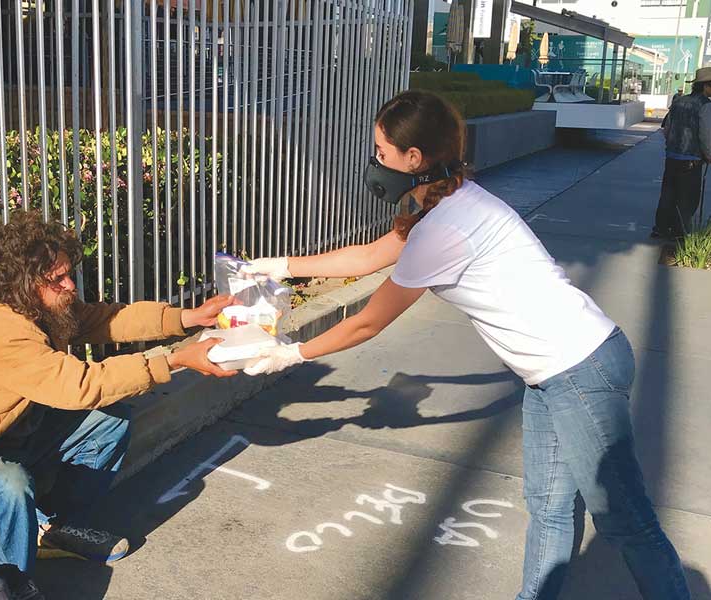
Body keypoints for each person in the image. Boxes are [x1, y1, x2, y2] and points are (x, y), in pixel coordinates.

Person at [242, 90, 691, 600]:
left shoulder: (445, 225)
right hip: (549, 375)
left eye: (381, 152)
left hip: (580, 368)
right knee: (549, 506)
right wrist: (281, 266)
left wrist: (291, 353)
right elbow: (366, 257)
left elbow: (369, 323)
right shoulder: (446, 202)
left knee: (623, 520)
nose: (375, 163)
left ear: (414, 159)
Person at [0, 211, 235, 600]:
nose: (70, 285)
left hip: (15, 432)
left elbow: (110, 319)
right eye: (58, 279)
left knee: (109, 421)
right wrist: (175, 361)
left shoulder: (40, 308)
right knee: (9, 487)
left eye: (68, 273)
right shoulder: (3, 332)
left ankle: (52, 529)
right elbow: (81, 384)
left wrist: (186, 317)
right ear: (26, 283)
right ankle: (7, 586)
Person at [653, 68, 711, 240]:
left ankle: (661, 228)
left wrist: (671, 146)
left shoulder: (679, 101)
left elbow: (667, 127)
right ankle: (680, 232)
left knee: (668, 194)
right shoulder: (706, 105)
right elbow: (705, 134)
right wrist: (708, 154)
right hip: (692, 159)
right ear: (706, 86)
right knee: (688, 198)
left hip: (672, 156)